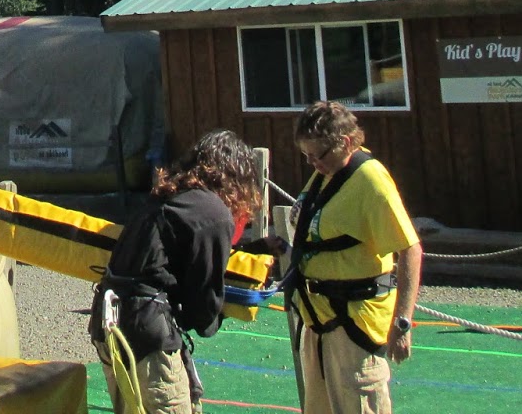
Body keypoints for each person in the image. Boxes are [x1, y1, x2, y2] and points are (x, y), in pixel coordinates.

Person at [88, 129, 263, 413]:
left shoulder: (167, 197)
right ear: (238, 178)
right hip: (148, 333)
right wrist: (218, 315)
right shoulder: (214, 213)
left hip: (109, 322)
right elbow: (203, 303)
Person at [286, 100, 421, 414]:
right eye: (305, 155)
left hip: (353, 326)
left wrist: (402, 323)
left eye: (317, 155)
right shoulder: (325, 173)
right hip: (318, 324)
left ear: (345, 142)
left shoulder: (371, 181)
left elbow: (410, 249)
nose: (312, 163)